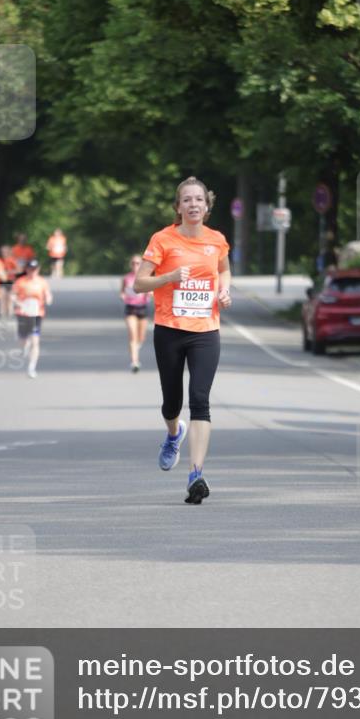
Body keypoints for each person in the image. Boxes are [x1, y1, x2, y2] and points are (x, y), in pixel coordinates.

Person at [134, 176, 231, 504]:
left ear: (207, 206)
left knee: (200, 399)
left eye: (199, 200)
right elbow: (139, 284)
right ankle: (174, 434)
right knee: (172, 402)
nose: (193, 204)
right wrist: (169, 277)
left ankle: (196, 475)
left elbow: (224, 269)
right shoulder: (163, 239)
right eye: (187, 200)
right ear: (178, 207)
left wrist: (224, 289)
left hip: (206, 331)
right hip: (170, 329)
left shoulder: (217, 240)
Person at [12, 258, 53, 378]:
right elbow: (13, 296)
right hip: (23, 313)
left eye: (34, 269)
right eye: (30, 269)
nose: (32, 272)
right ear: (26, 270)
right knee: (23, 339)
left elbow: (48, 294)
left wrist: (49, 299)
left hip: (36, 314)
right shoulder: (20, 282)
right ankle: (25, 346)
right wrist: (19, 303)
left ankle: (32, 367)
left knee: (35, 340)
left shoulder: (42, 282)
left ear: (38, 270)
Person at [120, 254, 152, 372]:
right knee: (133, 335)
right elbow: (122, 292)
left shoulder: (146, 277)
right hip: (130, 308)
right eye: (133, 263)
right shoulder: (126, 278)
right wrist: (123, 296)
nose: (135, 265)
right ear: (130, 264)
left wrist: (149, 294)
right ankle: (135, 362)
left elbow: (151, 292)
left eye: (138, 263)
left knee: (141, 337)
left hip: (143, 308)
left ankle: (135, 349)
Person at [0, 244, 18, 319]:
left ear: (8, 252)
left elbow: (17, 270)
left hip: (10, 280)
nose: (3, 253)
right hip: (2, 280)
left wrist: (8, 272)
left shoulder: (12, 260)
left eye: (4, 252)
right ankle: (2, 310)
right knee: (2, 295)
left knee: (9, 296)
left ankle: (9, 310)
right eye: (2, 252)